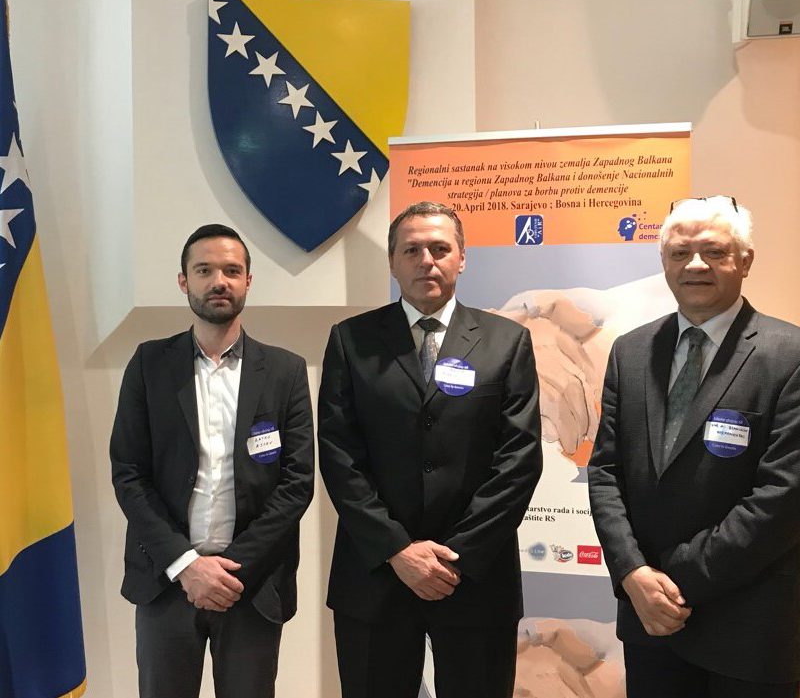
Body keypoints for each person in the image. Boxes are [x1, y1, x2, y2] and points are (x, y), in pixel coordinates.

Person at [317, 201, 542, 698]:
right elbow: (339, 455)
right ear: (392, 262)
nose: (427, 261)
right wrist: (397, 550)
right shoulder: (351, 341)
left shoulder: (508, 342)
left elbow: (519, 460)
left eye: (440, 249)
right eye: (412, 250)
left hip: (475, 576)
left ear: (462, 258)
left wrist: (455, 557)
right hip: (376, 575)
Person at [588, 196, 800, 698]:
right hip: (650, 623)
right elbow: (606, 473)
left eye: (714, 252)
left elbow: (783, 496)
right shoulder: (630, 351)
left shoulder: (789, 355)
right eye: (680, 253)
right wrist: (632, 572)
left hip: (748, 629)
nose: (695, 265)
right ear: (664, 262)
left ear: (745, 261)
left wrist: (672, 580)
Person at [110, 224, 314, 698]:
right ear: (184, 281)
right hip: (167, 581)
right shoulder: (149, 364)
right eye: (204, 270)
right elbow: (129, 474)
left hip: (251, 584)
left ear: (248, 281)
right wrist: (187, 565)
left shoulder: (285, 371)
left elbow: (297, 482)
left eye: (231, 271)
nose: (218, 281)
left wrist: (230, 570)